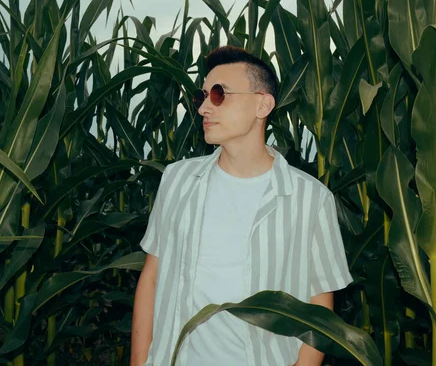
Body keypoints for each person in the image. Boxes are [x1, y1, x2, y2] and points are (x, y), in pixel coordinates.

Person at [130, 46, 353, 366]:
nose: (205, 107)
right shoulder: (177, 181)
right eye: (202, 96)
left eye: (219, 94)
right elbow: (151, 278)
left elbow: (319, 310)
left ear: (263, 104)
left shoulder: (311, 199)